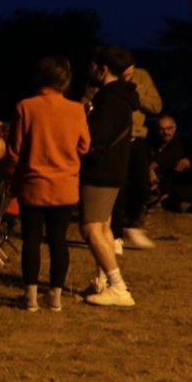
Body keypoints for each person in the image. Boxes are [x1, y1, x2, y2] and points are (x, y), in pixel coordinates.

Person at [9, 56, 89, 312]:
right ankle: (55, 295)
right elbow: (85, 145)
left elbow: (15, 150)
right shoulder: (76, 109)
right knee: (58, 239)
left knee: (31, 239)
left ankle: (30, 296)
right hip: (64, 185)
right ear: (65, 80)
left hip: (33, 183)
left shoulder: (25, 107)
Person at [78, 47, 140, 308]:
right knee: (102, 227)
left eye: (92, 66)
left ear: (103, 69)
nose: (89, 70)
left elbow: (95, 137)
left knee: (90, 228)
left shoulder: (110, 100)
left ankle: (117, 287)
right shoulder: (122, 98)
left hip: (101, 171)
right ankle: (102, 281)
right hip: (114, 170)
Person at [85, 63, 162, 250]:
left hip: (137, 138)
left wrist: (136, 95)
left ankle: (132, 224)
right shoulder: (101, 86)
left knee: (142, 185)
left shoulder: (142, 77)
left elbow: (156, 105)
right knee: (116, 188)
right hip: (115, 141)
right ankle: (115, 234)